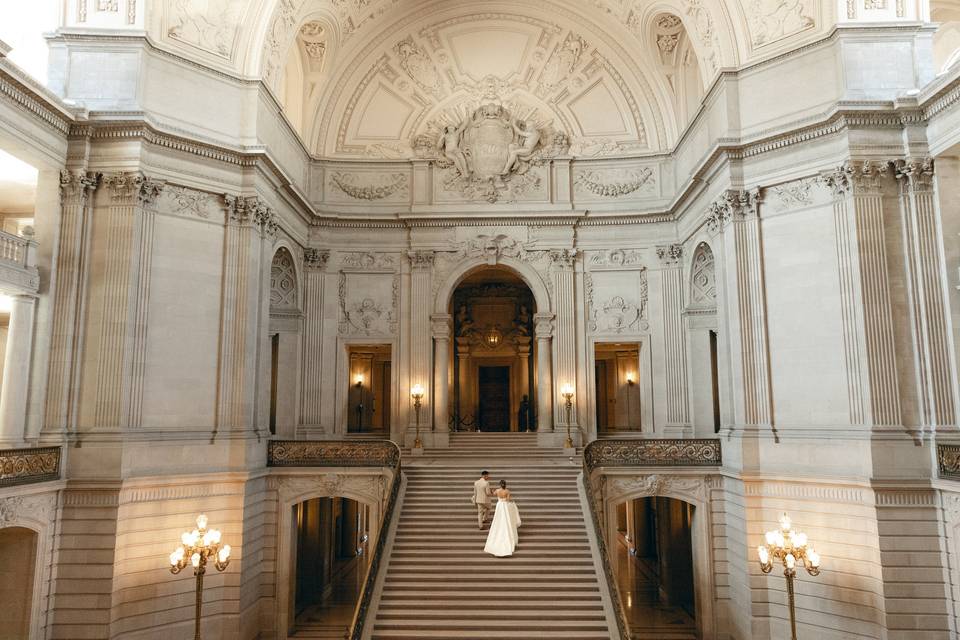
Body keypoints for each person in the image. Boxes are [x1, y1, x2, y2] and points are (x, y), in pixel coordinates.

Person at [484, 479, 522, 557]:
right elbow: (507, 500)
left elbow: (492, 494)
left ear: (500, 485)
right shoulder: (507, 491)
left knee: (498, 519)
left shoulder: (497, 491)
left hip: (499, 506)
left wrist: (492, 491)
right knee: (506, 519)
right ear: (505, 484)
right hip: (504, 506)